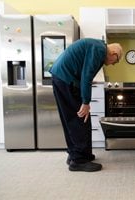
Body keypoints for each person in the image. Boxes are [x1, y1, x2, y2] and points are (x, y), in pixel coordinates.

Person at [50, 38, 123, 172]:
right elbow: (87, 76)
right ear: (113, 53)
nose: (113, 64)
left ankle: (78, 154)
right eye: (116, 61)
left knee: (77, 119)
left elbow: (85, 73)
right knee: (78, 119)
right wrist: (85, 102)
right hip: (66, 79)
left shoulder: (98, 47)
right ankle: (78, 161)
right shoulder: (100, 50)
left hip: (63, 78)